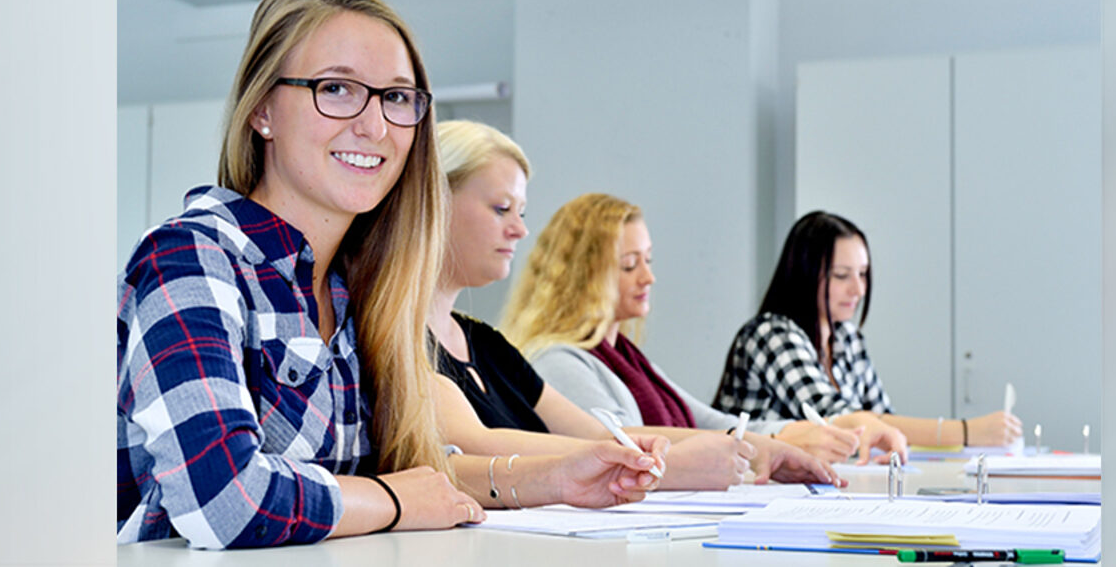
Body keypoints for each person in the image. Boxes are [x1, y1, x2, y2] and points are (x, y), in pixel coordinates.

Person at [117, 0, 663, 549]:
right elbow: (225, 499)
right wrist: (395, 498)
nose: (375, 127)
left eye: (397, 97)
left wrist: (549, 478)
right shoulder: (191, 260)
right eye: (336, 89)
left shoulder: (362, 288)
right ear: (261, 112)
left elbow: (415, 470)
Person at [426, 122, 832, 487]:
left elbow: (602, 438)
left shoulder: (487, 344)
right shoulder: (399, 341)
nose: (519, 228)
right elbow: (476, 447)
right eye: (501, 209)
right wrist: (670, 466)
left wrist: (759, 448)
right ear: (433, 202)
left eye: (521, 211)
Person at [499, 193, 909, 466]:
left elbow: (705, 421)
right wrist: (777, 445)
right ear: (583, 275)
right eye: (629, 265)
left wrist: (790, 434)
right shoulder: (559, 360)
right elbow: (626, 444)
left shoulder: (626, 354)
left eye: (649, 261)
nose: (648, 278)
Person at [713, 211, 1022, 448]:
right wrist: (967, 432)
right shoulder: (772, 334)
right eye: (842, 275)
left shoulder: (846, 337)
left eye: (863, 274)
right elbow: (846, 421)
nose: (858, 289)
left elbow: (884, 416)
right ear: (804, 275)